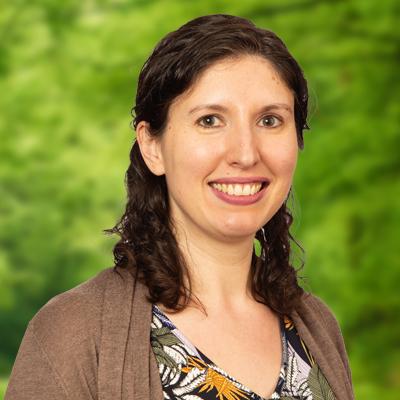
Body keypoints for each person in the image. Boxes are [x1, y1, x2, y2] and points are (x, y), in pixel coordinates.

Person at [5, 14, 354, 400]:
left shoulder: (317, 326)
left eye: (270, 120)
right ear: (152, 147)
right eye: (209, 120)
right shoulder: (71, 334)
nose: (245, 153)